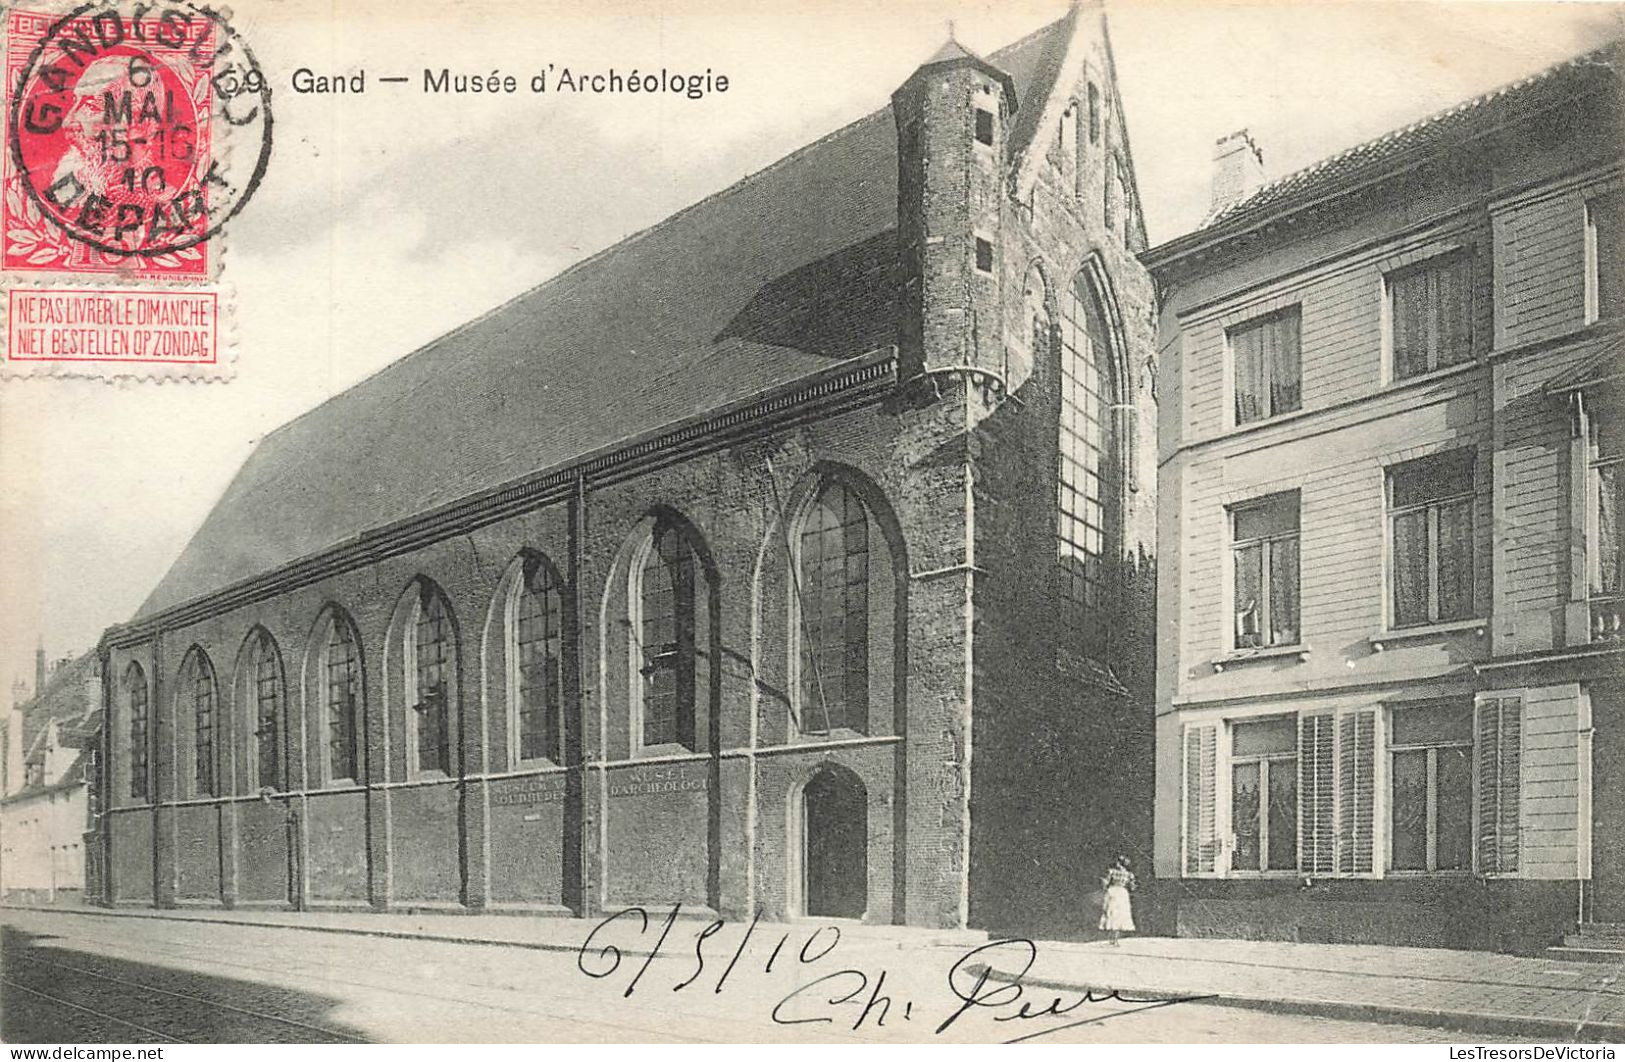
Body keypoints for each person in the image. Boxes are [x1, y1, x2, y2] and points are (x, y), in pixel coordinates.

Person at [1098, 854, 1136, 945]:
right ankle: (1115, 938)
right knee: (1120, 915)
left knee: (1112, 913)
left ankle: (1112, 938)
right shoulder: (1129, 874)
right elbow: (1132, 887)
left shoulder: (1112, 872)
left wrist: (1103, 883)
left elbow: (1106, 883)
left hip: (1113, 891)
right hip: (1122, 893)